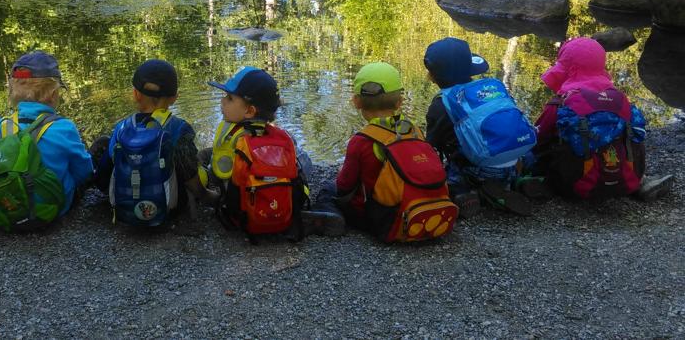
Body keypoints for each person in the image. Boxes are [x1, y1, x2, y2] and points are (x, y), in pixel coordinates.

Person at [315, 62, 455, 241]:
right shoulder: (414, 130)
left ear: (356, 102)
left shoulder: (361, 140)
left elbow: (344, 187)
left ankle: (334, 217)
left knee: (328, 190)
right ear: (399, 102)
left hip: (381, 220)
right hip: (416, 204)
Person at [203, 66, 342, 238]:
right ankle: (289, 211)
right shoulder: (277, 133)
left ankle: (257, 213)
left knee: (207, 165)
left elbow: (221, 174)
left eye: (229, 98)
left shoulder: (234, 138)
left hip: (241, 208)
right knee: (301, 158)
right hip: (273, 194)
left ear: (250, 111)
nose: (222, 101)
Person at [529, 37, 673, 202]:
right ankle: (639, 181)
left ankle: (538, 183)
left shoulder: (561, 103)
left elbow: (536, 139)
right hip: (625, 181)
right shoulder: (620, 100)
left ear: (566, 69)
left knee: (535, 149)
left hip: (573, 186)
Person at [90, 59, 219, 226]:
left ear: (135, 94)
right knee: (198, 164)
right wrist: (207, 195)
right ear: (174, 98)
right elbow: (189, 175)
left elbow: (103, 176)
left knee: (105, 143)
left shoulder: (121, 128)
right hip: (170, 209)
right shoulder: (180, 129)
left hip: (124, 207)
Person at [423, 37, 535, 218]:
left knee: (452, 171)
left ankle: (465, 193)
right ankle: (522, 181)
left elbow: (431, 146)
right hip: (517, 160)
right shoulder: (492, 87)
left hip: (478, 169)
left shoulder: (442, 103)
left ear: (434, 75)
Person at [0, 51, 94, 217]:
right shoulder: (64, 128)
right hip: (53, 208)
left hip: (10, 207)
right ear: (53, 94)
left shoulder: (0, 126)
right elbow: (84, 172)